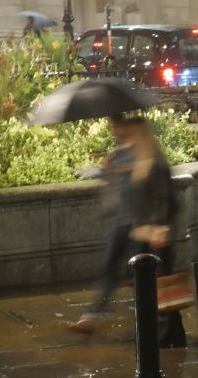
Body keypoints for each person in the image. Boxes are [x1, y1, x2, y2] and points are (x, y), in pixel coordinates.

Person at [71, 116, 185, 347]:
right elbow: (133, 195)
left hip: (154, 232)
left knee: (160, 284)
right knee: (154, 283)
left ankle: (167, 333)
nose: (128, 138)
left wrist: (160, 225)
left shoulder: (155, 162)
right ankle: (172, 332)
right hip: (140, 231)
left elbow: (163, 197)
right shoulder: (138, 161)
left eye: (133, 134)